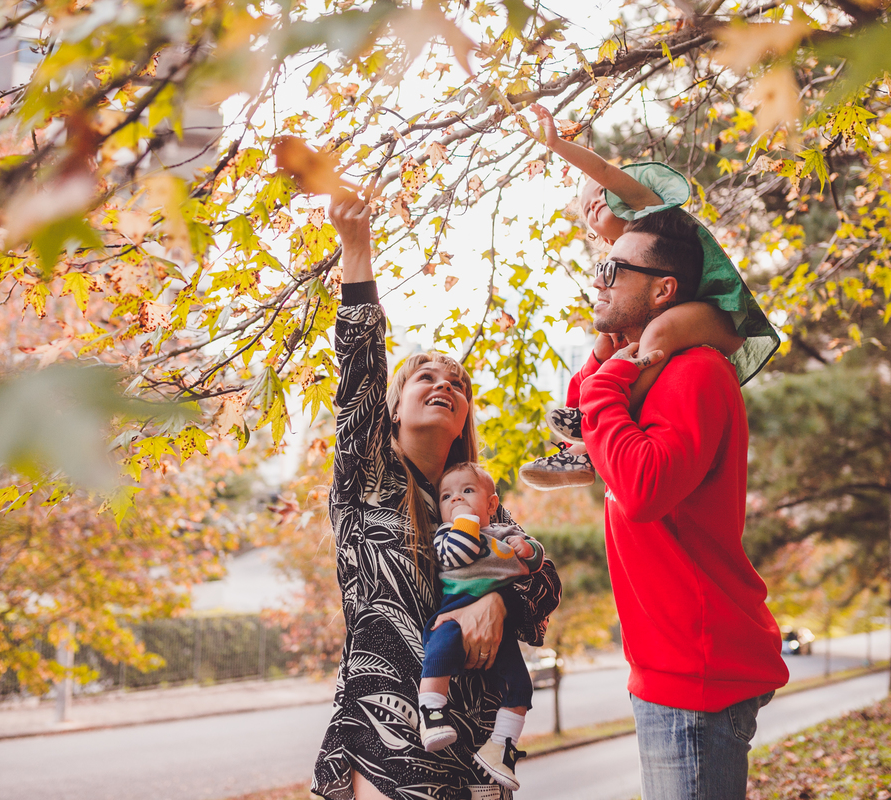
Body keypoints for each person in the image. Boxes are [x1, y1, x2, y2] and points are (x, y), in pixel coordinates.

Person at [313, 192, 561, 800]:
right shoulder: (366, 477)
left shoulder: (478, 503)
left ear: (464, 417)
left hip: (476, 752)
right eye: (425, 376)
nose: (444, 385)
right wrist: (356, 249)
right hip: (387, 743)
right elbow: (359, 372)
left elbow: (545, 582)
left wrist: (498, 602)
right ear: (394, 407)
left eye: (458, 384)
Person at [568, 208, 789, 800]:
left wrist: (604, 384)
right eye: (600, 267)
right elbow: (579, 426)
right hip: (670, 670)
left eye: (614, 270)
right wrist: (608, 355)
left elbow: (643, 488)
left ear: (664, 290)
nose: (598, 280)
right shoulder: (652, 373)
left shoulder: (696, 373)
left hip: (697, 676)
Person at [518, 104, 780, 491]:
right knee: (617, 343)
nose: (593, 204)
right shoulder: (626, 253)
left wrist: (556, 144)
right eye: (586, 210)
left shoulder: (649, 211)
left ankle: (592, 426)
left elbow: (604, 170)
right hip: (679, 310)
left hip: (720, 313)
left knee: (657, 336)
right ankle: (583, 449)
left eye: (599, 194)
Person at [419, 463, 544, 791]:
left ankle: (501, 747)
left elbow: (537, 563)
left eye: (467, 491)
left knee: (520, 684)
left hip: (499, 625)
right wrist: (465, 520)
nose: (456, 499)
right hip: (455, 611)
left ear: (491, 504)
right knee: (439, 650)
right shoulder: (447, 533)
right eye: (447, 496)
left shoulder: (504, 532)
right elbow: (460, 554)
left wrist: (528, 549)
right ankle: (432, 712)